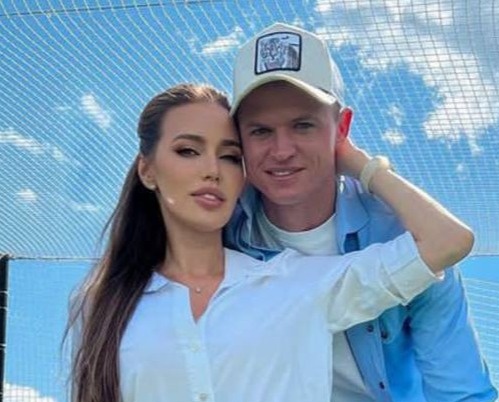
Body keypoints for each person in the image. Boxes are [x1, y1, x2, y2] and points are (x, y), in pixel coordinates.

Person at [67, 82, 473, 402]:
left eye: (229, 157)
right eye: (188, 150)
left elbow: (447, 241)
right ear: (148, 170)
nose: (212, 170)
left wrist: (358, 163)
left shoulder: (294, 282)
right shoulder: (102, 302)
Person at [225, 22, 498, 402]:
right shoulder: (220, 233)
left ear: (342, 127)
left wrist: (365, 168)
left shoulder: (411, 238)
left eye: (303, 125)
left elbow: (462, 394)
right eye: (260, 131)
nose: (282, 150)